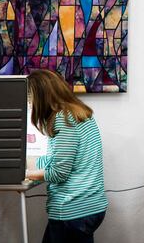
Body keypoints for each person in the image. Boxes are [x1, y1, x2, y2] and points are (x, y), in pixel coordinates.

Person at [25, 69, 108, 243]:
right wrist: (28, 162)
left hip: (72, 210)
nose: (30, 107)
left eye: (30, 101)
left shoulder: (63, 119)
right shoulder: (79, 114)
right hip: (89, 207)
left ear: (41, 98)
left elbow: (58, 173)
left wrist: (25, 174)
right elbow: (60, 159)